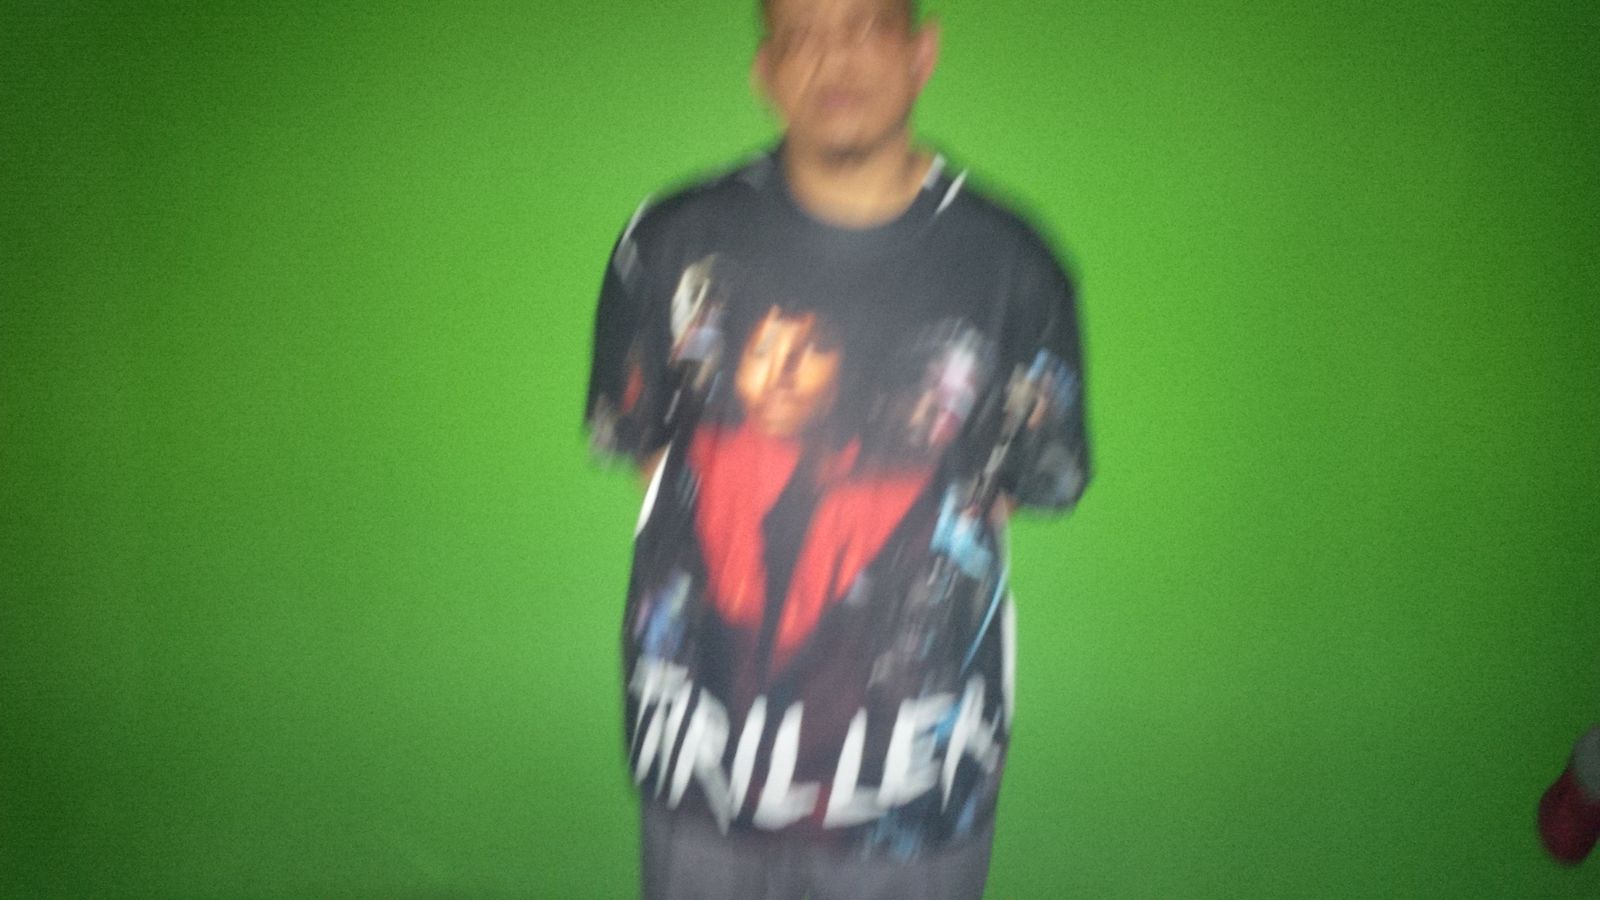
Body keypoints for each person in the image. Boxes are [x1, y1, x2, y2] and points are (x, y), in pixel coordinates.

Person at [584, 0, 1090, 896]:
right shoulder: (666, 244)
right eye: (802, 36)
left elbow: (1001, 494)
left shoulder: (1013, 266)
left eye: (863, 28)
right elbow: (656, 462)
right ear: (765, 71)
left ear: (921, 52)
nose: (835, 60)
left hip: (914, 795)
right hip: (699, 778)